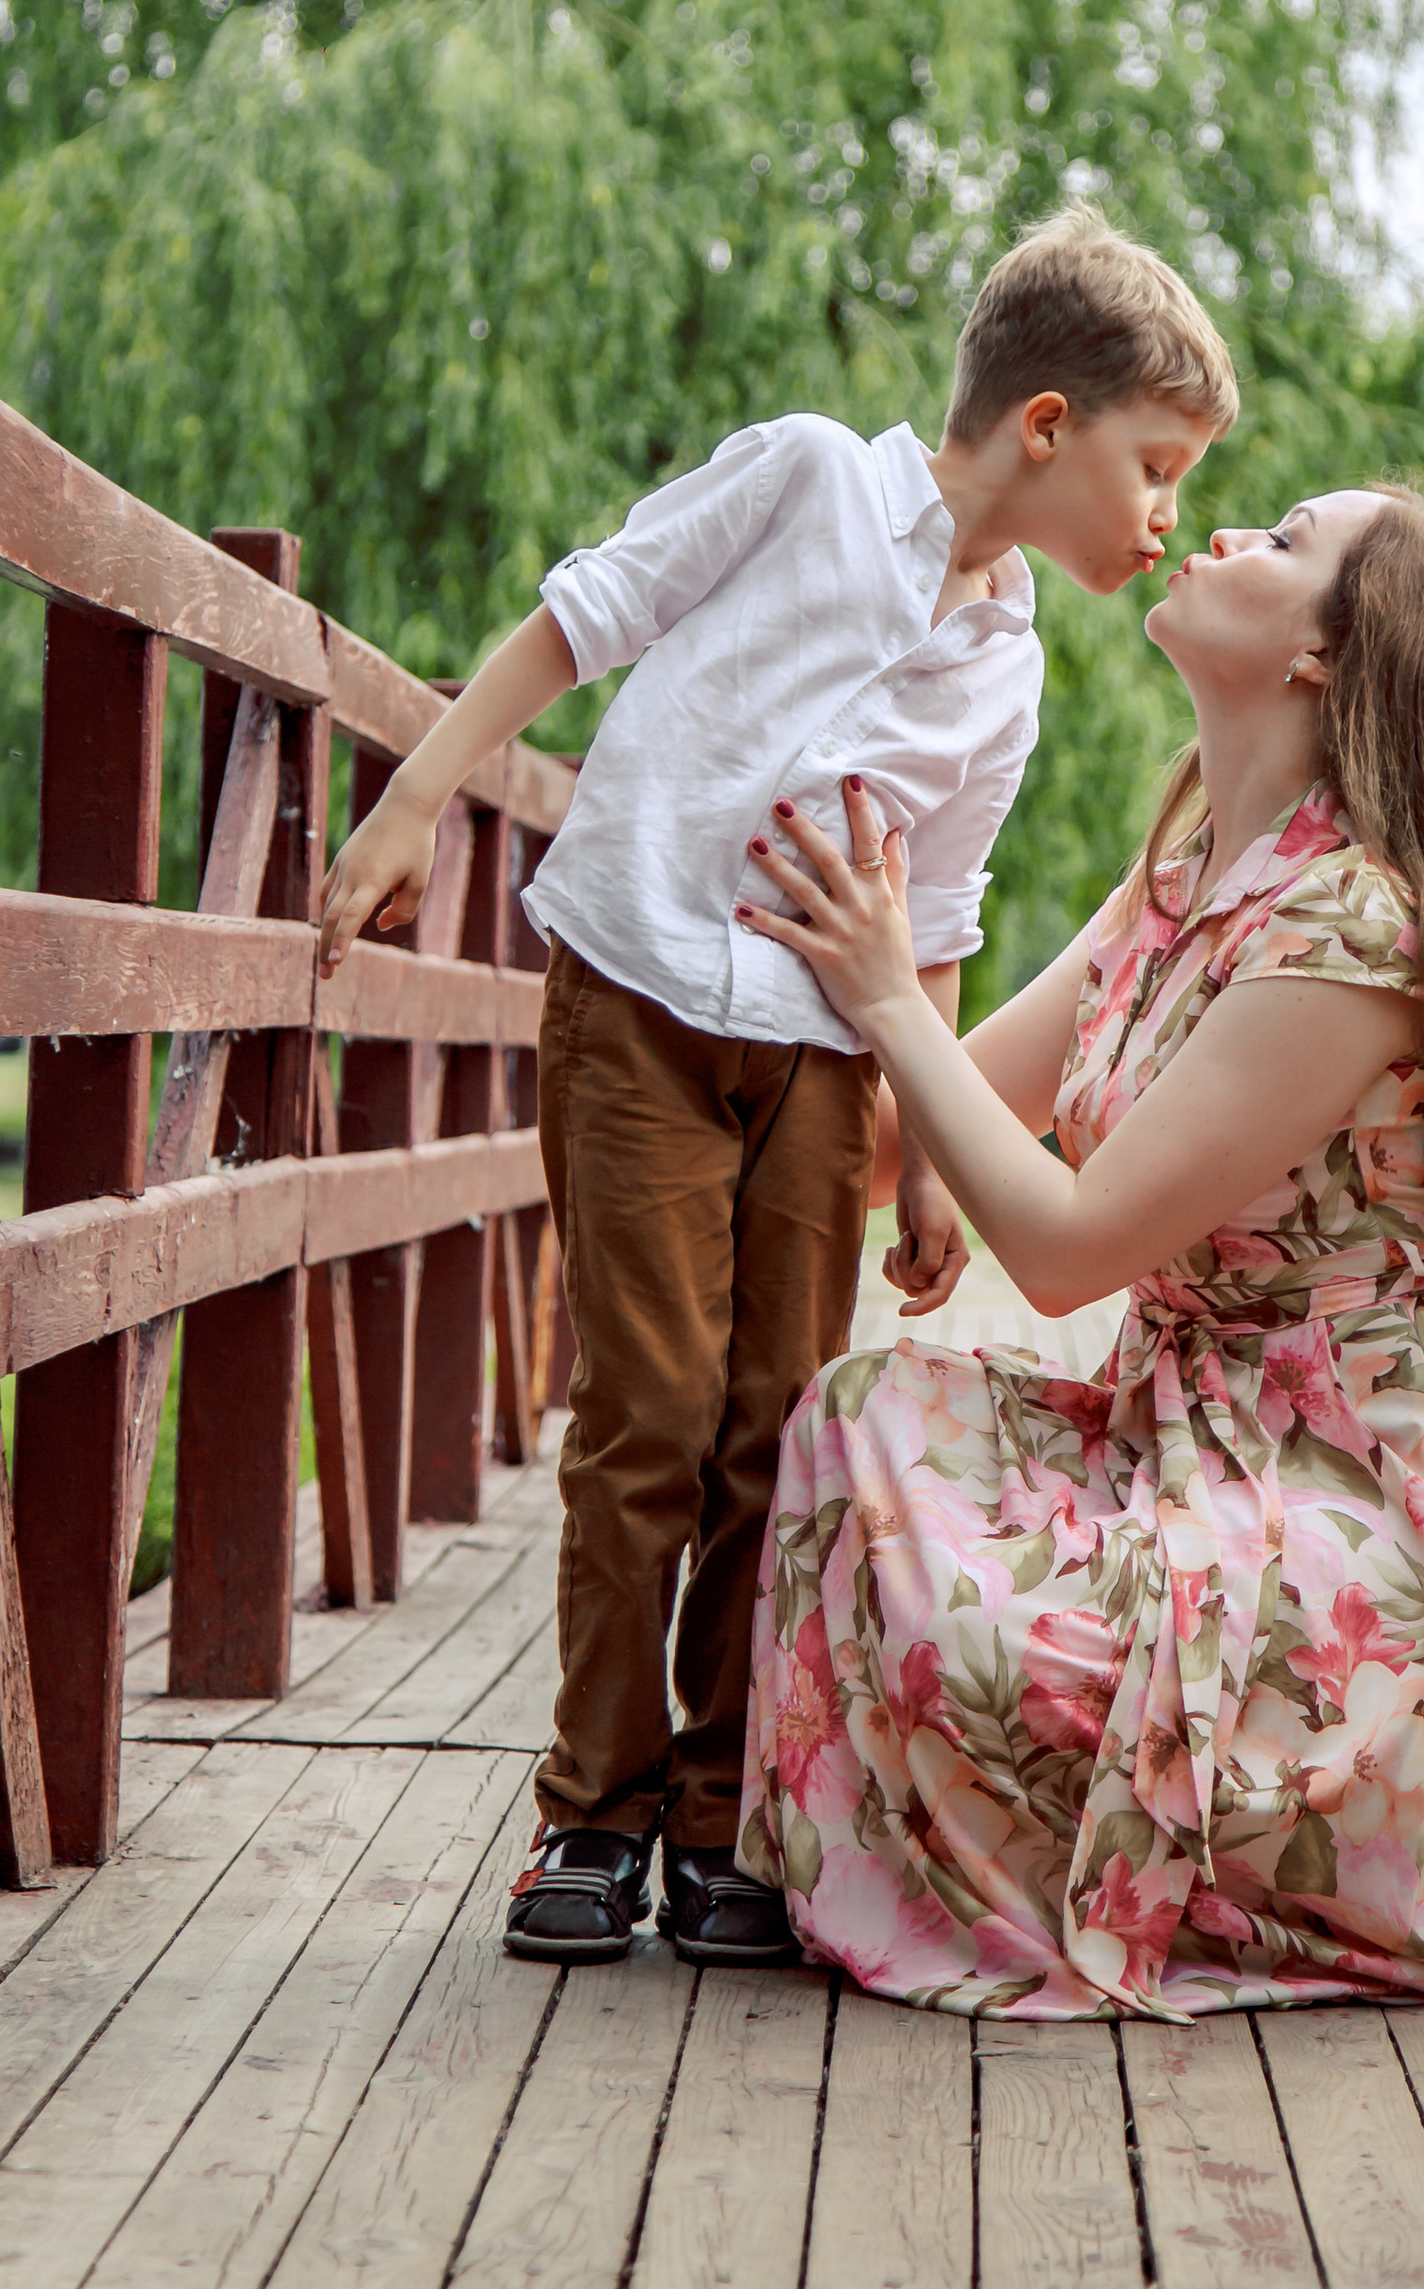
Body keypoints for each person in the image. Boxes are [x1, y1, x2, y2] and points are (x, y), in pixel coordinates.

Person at [313, 209, 1236, 1968]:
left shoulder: (1010, 665)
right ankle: (590, 1811)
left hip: (821, 1061)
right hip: (644, 994)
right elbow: (580, 624)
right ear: (1047, 426)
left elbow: (943, 911)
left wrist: (937, 1161)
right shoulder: (807, 479)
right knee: (649, 1407)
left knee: (777, 1428)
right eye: (1156, 467)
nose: (1164, 514)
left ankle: (723, 1815)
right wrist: (418, 800)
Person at [731, 484, 1424, 2017]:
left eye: (1286, 538)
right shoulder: (1188, 878)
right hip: (1189, 1432)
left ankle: (1346, 1846)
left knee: (989, 1626)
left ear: (1330, 653)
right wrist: (663, 1097)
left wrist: (891, 996)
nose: (1227, 530)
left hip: (1371, 1500)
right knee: (863, 1417)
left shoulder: (1365, 930)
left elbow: (1058, 1250)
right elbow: (937, 1125)